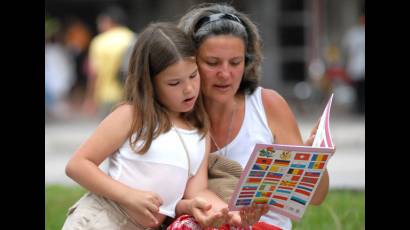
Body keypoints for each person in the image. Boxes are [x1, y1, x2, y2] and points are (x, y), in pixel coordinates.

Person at [62, 22, 236, 229]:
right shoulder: (132, 115)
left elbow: (195, 193)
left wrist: (227, 212)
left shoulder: (199, 132)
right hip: (103, 219)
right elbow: (78, 165)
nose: (189, 89)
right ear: (150, 83)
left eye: (193, 75)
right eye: (174, 83)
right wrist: (128, 195)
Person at [174, 3, 330, 229]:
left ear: (247, 62)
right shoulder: (178, 113)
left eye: (235, 62)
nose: (225, 74)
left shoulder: (267, 104)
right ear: (190, 62)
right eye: (212, 62)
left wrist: (314, 163)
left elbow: (315, 198)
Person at [82, 5, 135, 117]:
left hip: (107, 96)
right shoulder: (133, 38)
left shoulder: (100, 42)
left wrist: (90, 98)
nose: (99, 25)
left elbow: (94, 74)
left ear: (109, 21)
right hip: (130, 94)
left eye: (101, 22)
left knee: (108, 130)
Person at [342, 10, 365, 114]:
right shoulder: (353, 33)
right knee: (358, 90)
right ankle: (358, 108)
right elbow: (346, 49)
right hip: (357, 66)